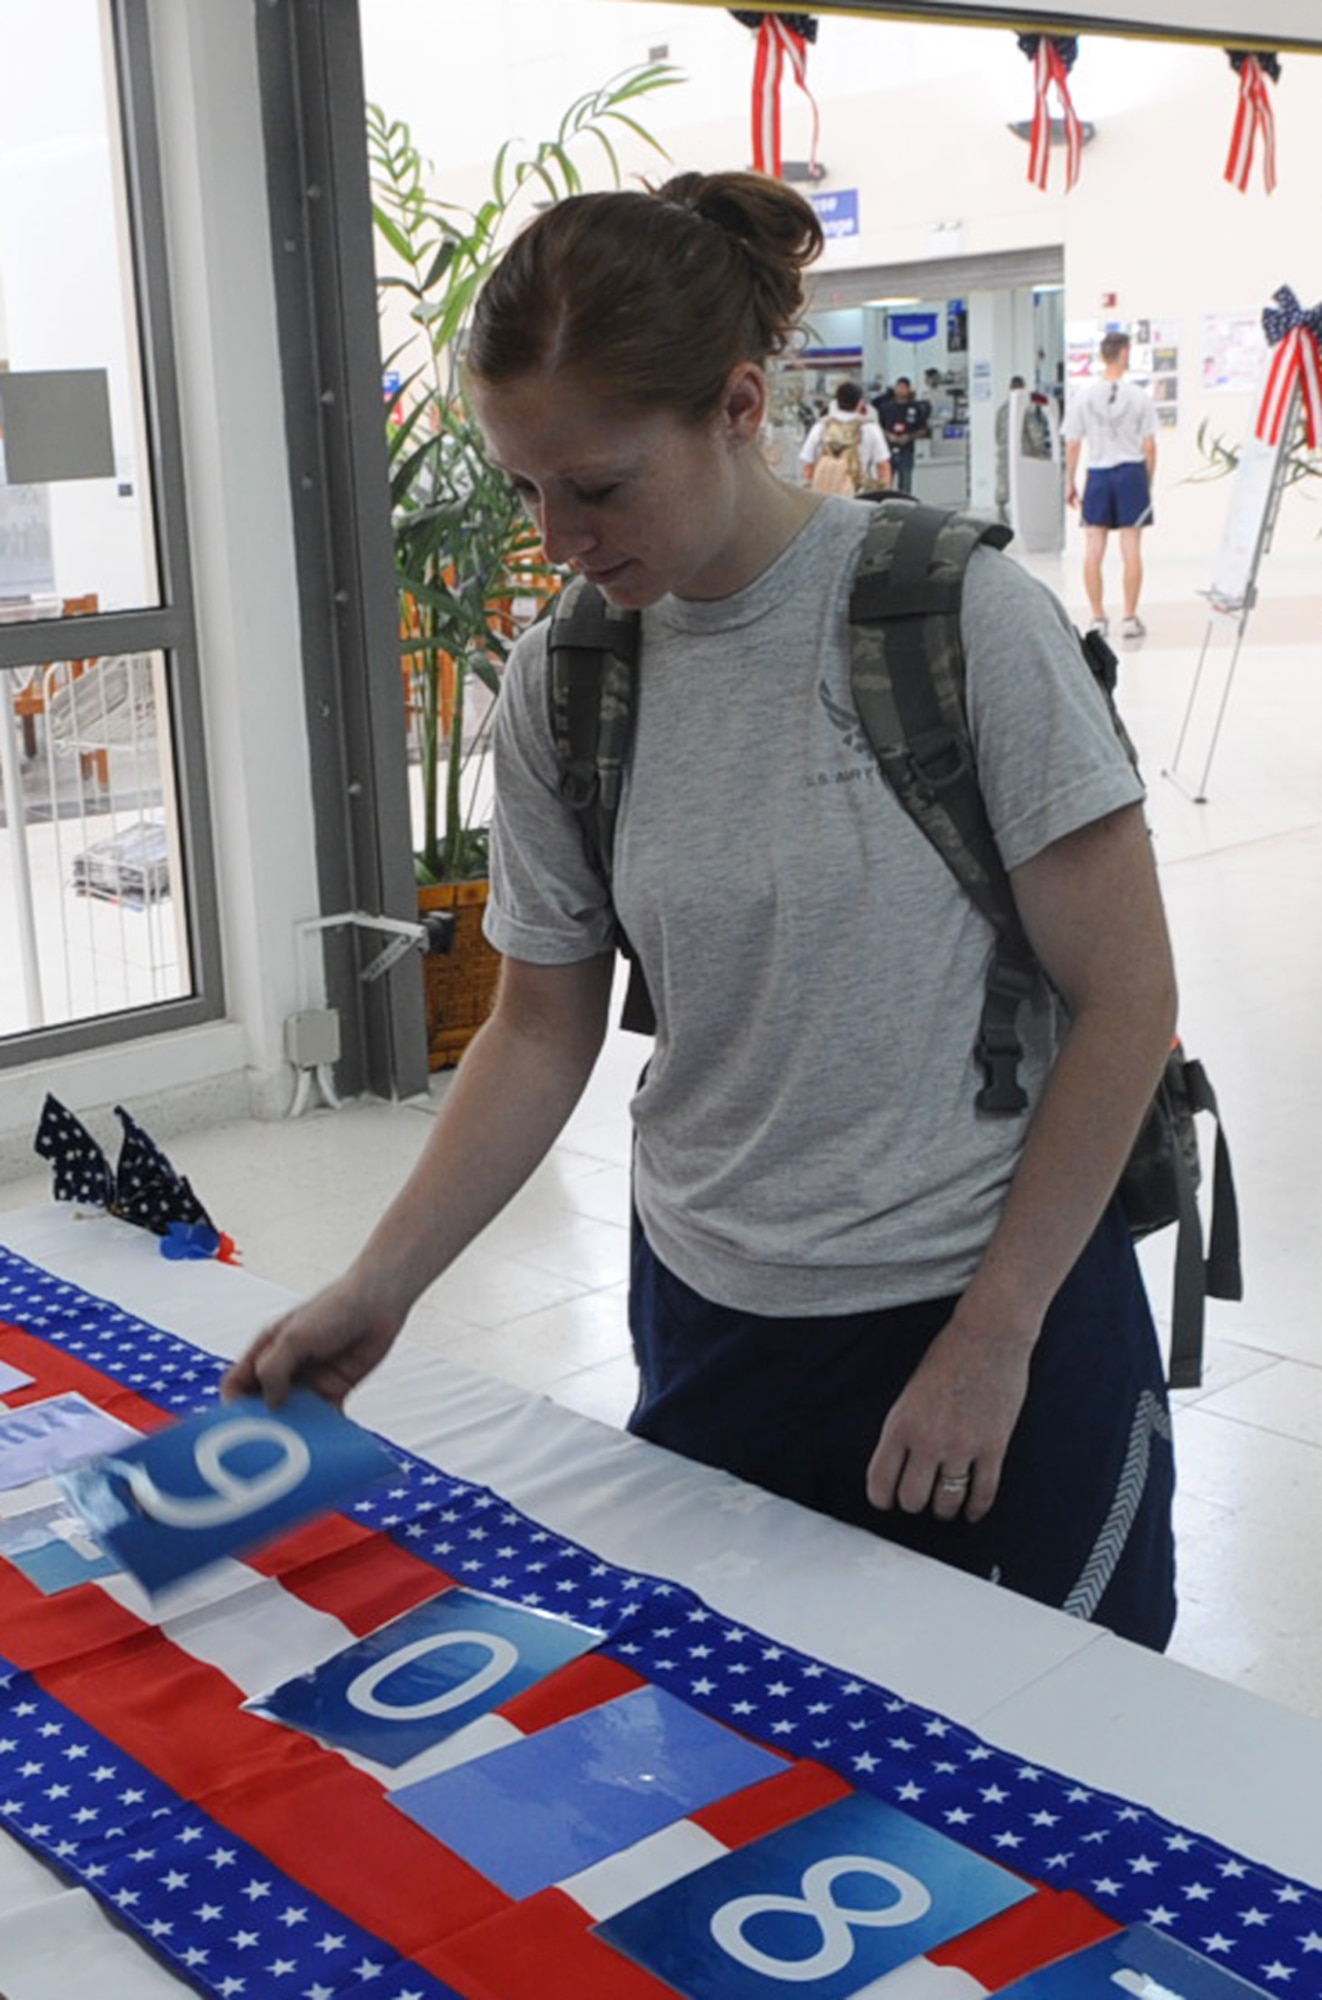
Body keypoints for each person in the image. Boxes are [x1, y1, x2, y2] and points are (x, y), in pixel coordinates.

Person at [225, 169, 1180, 1651]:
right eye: (524, 488)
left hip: (996, 1308)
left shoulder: (961, 625)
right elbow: (540, 1029)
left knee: (1059, 1791)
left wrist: (994, 1337)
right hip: (718, 1319)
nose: (558, 537)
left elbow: (1125, 1003)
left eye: (597, 487)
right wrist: (380, 1283)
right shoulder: (569, 681)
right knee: (761, 1769)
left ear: (738, 407)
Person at [1063, 332, 1157, 642]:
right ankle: (1129, 617)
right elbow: (1150, 445)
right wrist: (1147, 481)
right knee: (1131, 548)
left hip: (1099, 474)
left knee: (1094, 548)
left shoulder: (1084, 396)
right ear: (1125, 353)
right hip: (1131, 472)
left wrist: (1071, 482)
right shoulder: (1139, 396)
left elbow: (1074, 443)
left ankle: (1098, 617)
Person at [798, 378, 891, 494]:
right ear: (860, 403)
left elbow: (808, 462)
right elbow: (883, 466)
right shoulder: (870, 428)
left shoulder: (821, 426)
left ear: (836, 402)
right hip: (857, 493)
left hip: (824, 495)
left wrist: (814, 484)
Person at [878, 376, 928, 495]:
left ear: (909, 389)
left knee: (905, 484)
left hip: (906, 450)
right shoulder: (886, 407)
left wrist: (909, 437)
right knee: (885, 483)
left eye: (904, 388)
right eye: (899, 387)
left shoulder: (916, 408)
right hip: (888, 450)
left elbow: (923, 429)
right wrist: (888, 435)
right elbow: (879, 426)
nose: (901, 390)